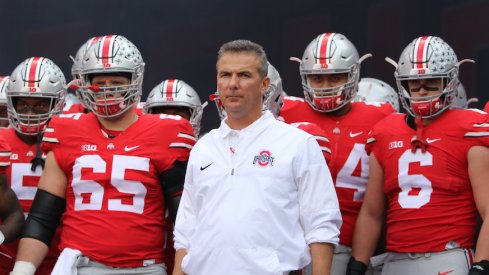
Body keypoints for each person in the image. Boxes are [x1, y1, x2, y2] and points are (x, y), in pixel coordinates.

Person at [10, 35, 196, 275]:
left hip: (144, 268)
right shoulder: (66, 130)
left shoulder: (167, 132)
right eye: (101, 82)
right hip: (79, 265)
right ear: (85, 83)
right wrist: (22, 270)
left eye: (116, 81)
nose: (108, 90)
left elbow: (184, 220)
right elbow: (43, 218)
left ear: (134, 79)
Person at [173, 39, 341, 275]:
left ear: (264, 84)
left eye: (244, 75)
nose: (232, 84)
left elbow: (322, 224)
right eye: (225, 75)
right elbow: (186, 229)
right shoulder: (203, 147)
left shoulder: (297, 143)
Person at [348, 36, 489, 275]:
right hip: (395, 260)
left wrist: (482, 263)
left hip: (447, 256)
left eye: (431, 82)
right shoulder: (384, 132)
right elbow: (372, 212)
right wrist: (357, 263)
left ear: (450, 81)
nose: (422, 90)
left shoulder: (471, 128)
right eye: (415, 83)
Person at [279, 33, 394, 275]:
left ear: (353, 75)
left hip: (346, 245)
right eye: (317, 78)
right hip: (286, 242)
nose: (325, 86)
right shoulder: (285, 111)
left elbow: (377, 204)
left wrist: (360, 259)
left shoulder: (380, 117)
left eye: (335, 77)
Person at [0, 57, 67, 275]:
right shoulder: (2, 139)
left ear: (57, 103)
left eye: (39, 105)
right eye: (23, 104)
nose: (30, 112)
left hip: (58, 255)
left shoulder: (70, 140)